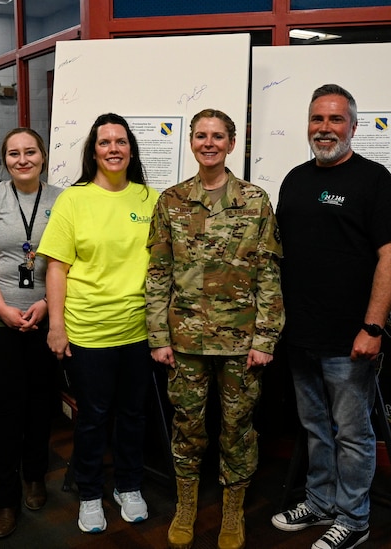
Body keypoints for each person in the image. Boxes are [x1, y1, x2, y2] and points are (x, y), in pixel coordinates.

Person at [271, 84, 391, 549]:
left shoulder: (374, 180)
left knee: (352, 432)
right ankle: (320, 500)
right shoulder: (294, 179)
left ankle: (353, 518)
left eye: (335, 119)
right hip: (299, 334)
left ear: (353, 125)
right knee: (313, 426)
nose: (325, 128)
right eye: (317, 119)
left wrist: (373, 327)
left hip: (351, 339)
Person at [146, 108, 285, 549]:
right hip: (185, 340)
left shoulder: (255, 201)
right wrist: (158, 337)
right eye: (201, 136)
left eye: (218, 136)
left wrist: (265, 341)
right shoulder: (170, 201)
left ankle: (233, 509)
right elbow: (158, 273)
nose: (209, 143)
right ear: (191, 141)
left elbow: (268, 276)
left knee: (238, 426)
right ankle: (186, 504)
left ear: (231, 143)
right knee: (187, 424)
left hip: (241, 343)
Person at [37, 113, 159, 534]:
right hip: (88, 331)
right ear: (93, 151)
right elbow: (56, 267)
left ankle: (128, 485)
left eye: (120, 141)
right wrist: (56, 326)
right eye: (104, 142)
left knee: (133, 416)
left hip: (139, 330)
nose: (113, 148)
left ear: (131, 149)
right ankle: (90, 494)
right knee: (92, 418)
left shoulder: (150, 199)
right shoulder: (74, 200)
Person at [0, 128, 62, 538]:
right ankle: (5, 499)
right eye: (14, 153)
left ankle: (35, 476)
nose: (23, 159)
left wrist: (47, 307)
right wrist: (3, 309)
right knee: (5, 408)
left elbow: (69, 259)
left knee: (42, 402)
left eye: (30, 152)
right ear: (4, 159)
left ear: (43, 156)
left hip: (47, 313)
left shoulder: (63, 199)